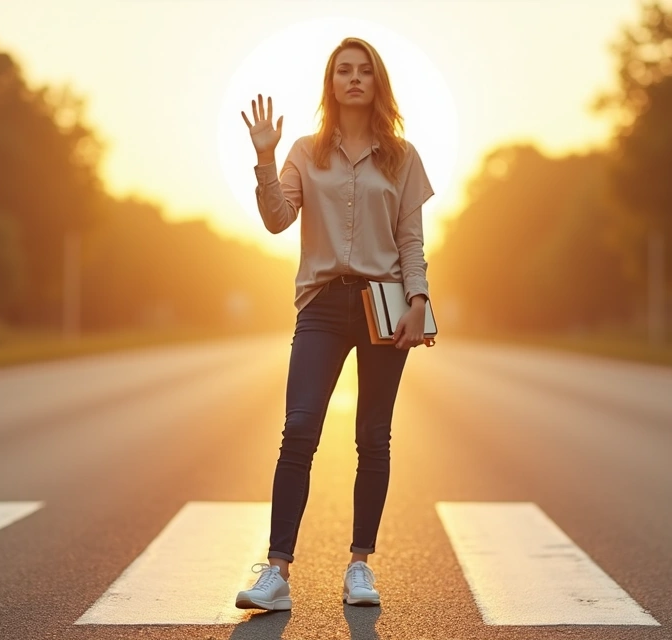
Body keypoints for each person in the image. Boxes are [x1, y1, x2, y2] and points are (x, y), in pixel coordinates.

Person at [234, 36, 434, 611]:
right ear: (331, 82)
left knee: (373, 437)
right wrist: (266, 158)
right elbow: (277, 220)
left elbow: (410, 239)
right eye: (343, 70)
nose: (353, 78)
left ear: (377, 83)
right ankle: (277, 572)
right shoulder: (304, 151)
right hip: (322, 304)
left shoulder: (402, 156)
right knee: (299, 428)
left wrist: (418, 298)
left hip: (384, 303)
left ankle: (359, 567)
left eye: (363, 71)